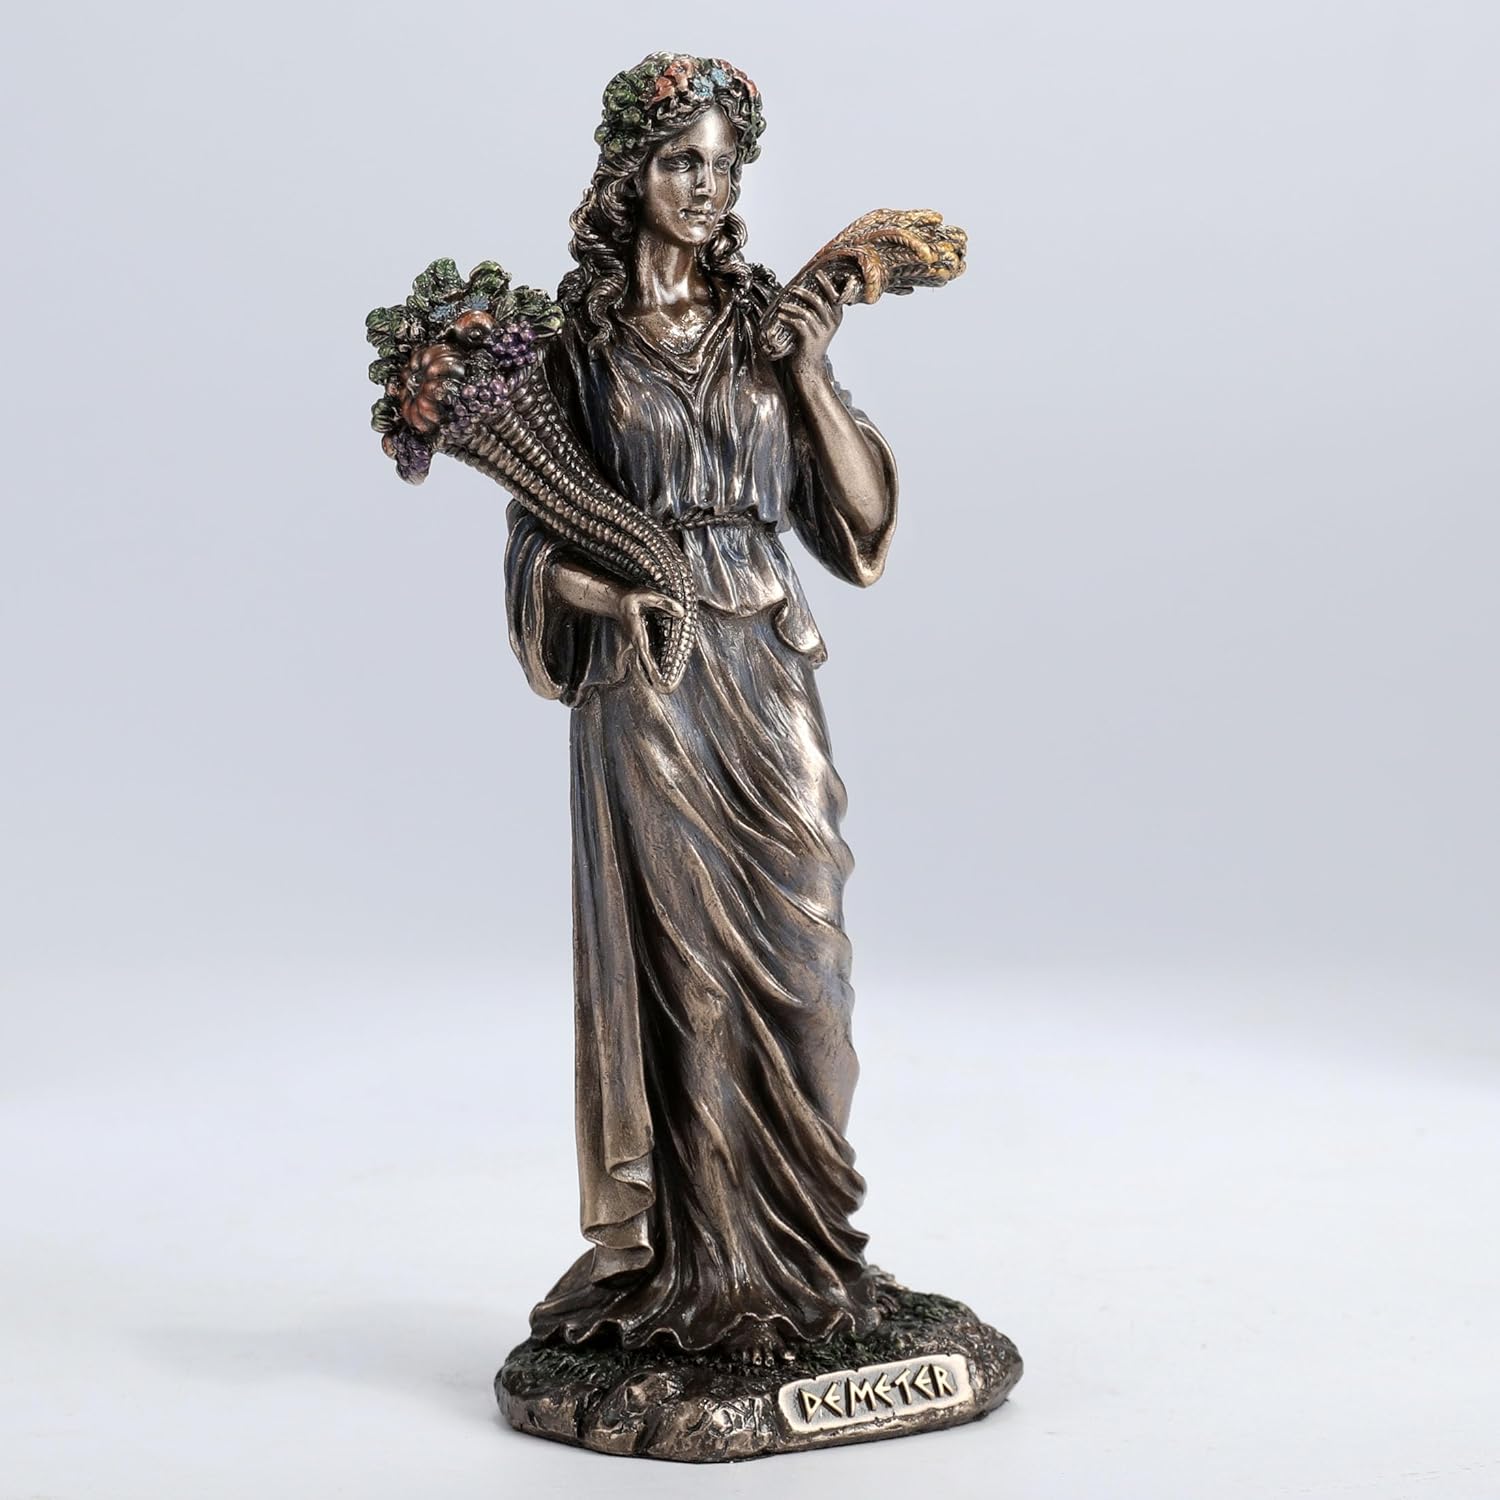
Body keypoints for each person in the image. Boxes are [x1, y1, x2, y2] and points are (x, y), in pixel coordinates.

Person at [503, 53, 900, 1361]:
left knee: (808, 967)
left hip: (765, 656)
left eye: (726, 166)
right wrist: (612, 592)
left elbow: (863, 529)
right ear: (631, 172)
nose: (707, 186)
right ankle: (707, 1265)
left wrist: (814, 372)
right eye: (683, 160)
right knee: (689, 979)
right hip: (652, 679)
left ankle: (809, 1253)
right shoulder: (579, 346)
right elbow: (534, 542)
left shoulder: (765, 327)